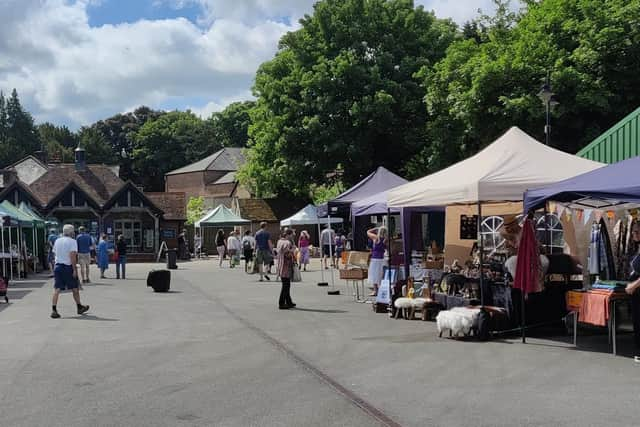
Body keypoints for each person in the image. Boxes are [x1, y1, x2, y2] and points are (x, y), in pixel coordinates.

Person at [50, 224, 89, 319]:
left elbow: (54, 253)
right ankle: (79, 306)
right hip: (67, 267)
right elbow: (72, 256)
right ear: (71, 232)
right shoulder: (72, 242)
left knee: (57, 289)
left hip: (58, 266)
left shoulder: (57, 241)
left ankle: (54, 310)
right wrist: (74, 269)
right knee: (75, 288)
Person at [625, 222, 640, 363]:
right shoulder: (637, 248)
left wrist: (633, 285)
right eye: (633, 232)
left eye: (637, 232)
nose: (634, 234)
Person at [276, 229, 296, 310]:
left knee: (286, 284)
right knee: (286, 285)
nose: (293, 236)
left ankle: (288, 301)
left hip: (280, 264)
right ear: (289, 234)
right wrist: (293, 250)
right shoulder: (287, 243)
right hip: (286, 266)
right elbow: (287, 255)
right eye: (292, 234)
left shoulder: (279, 241)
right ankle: (281, 303)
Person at [367, 226, 387, 297]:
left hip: (375, 259)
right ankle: (381, 289)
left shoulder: (376, 238)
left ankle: (375, 290)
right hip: (382, 259)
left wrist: (375, 228)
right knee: (381, 275)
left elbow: (368, 232)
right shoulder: (385, 239)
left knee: (374, 275)